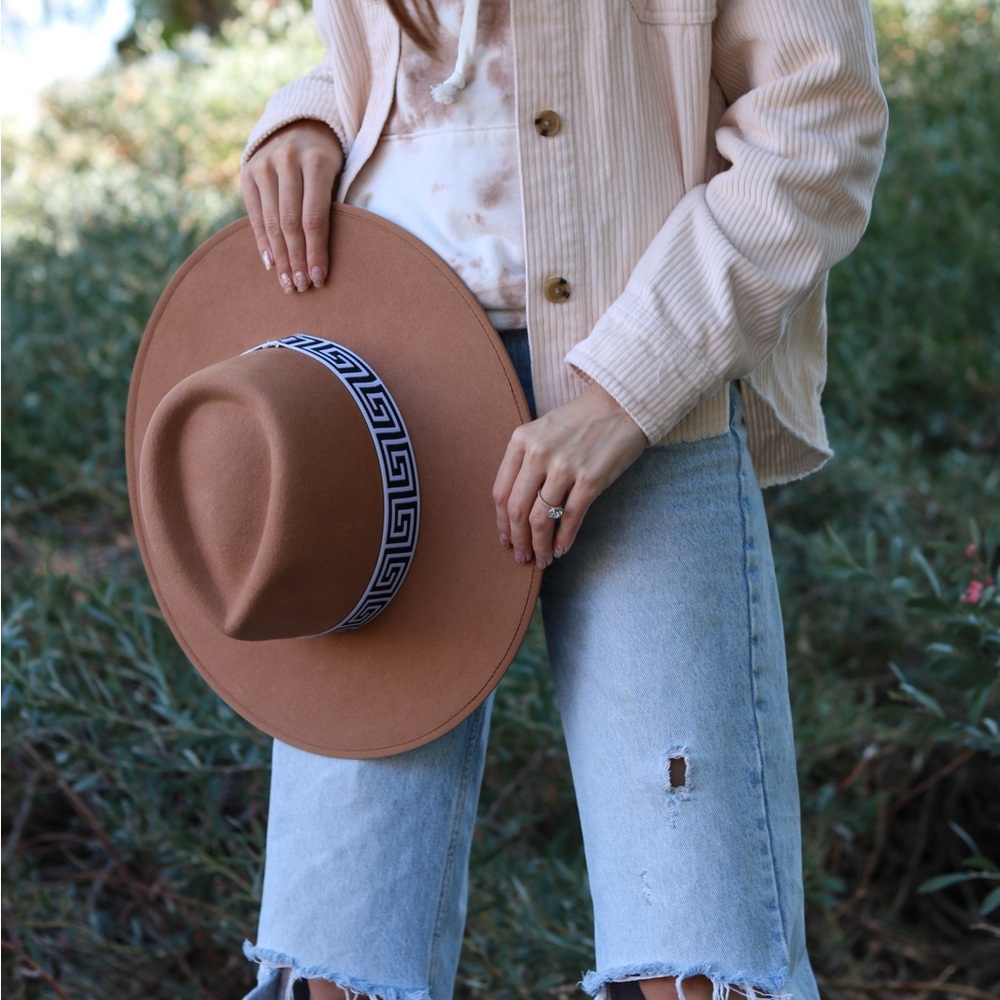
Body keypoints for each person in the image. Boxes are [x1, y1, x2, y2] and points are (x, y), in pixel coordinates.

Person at [237, 1, 888, 997]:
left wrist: (629, 385)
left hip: (648, 397)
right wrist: (308, 118)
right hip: (380, 405)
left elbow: (817, 123)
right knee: (337, 961)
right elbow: (418, 74)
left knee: (697, 958)